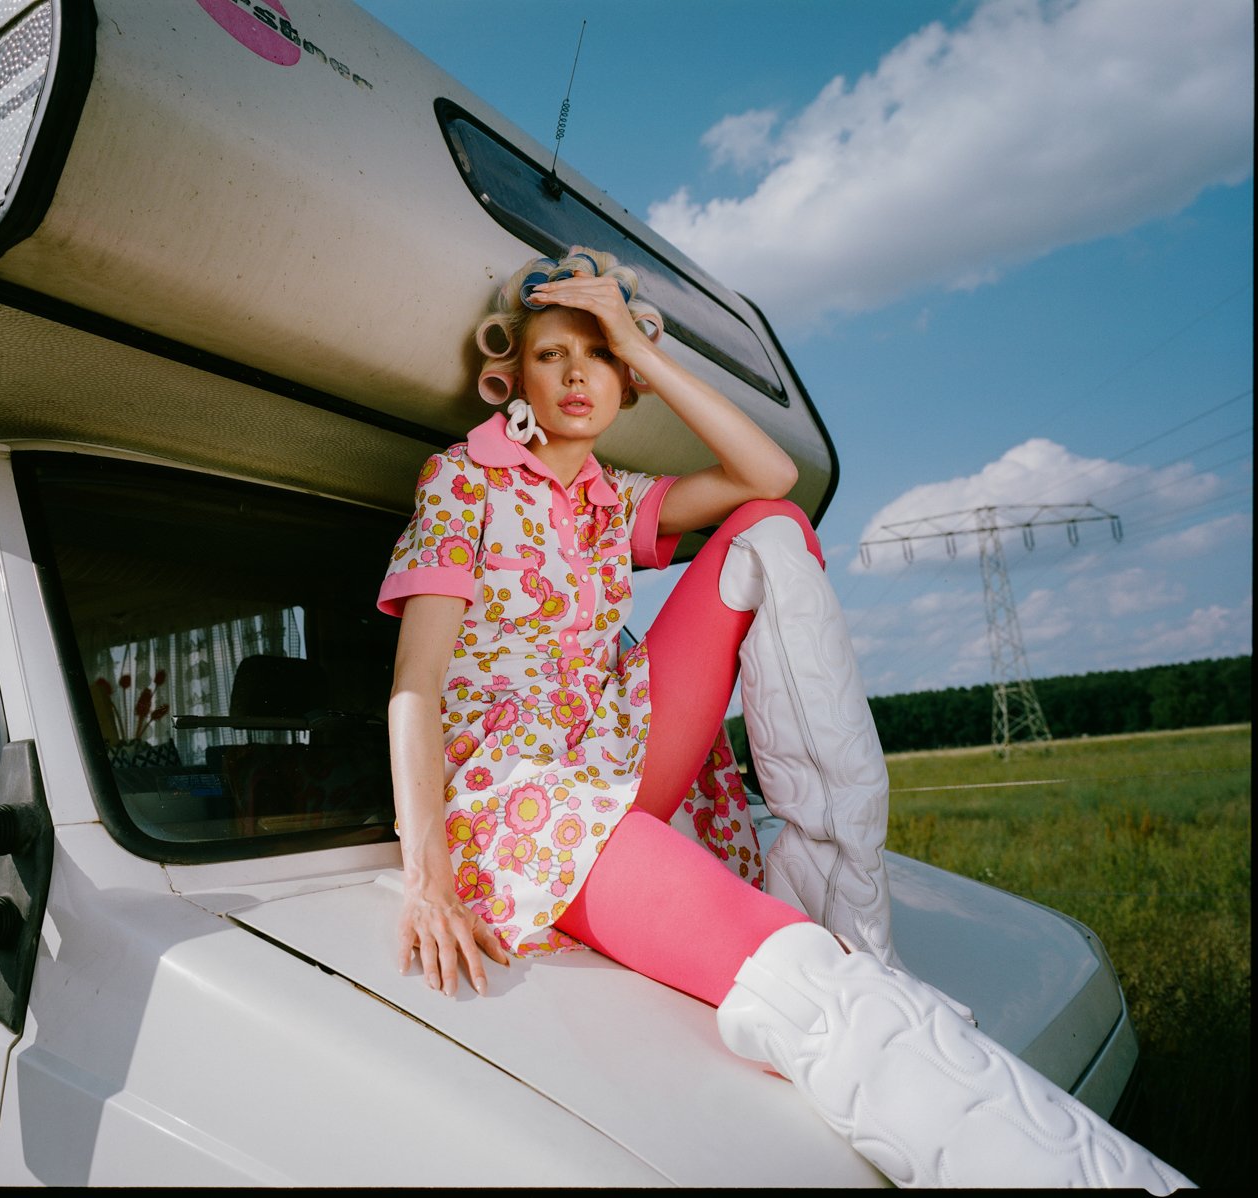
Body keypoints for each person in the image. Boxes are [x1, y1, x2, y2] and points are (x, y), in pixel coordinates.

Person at [377, 248, 1191, 1192]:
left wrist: (649, 344)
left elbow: (769, 474)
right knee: (797, 975)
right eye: (553, 354)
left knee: (769, 529)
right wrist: (425, 875)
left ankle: (858, 916)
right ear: (509, 375)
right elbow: (417, 686)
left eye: (600, 358)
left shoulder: (616, 501)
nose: (576, 376)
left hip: (618, 746)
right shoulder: (462, 481)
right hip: (522, 796)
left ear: (626, 381)